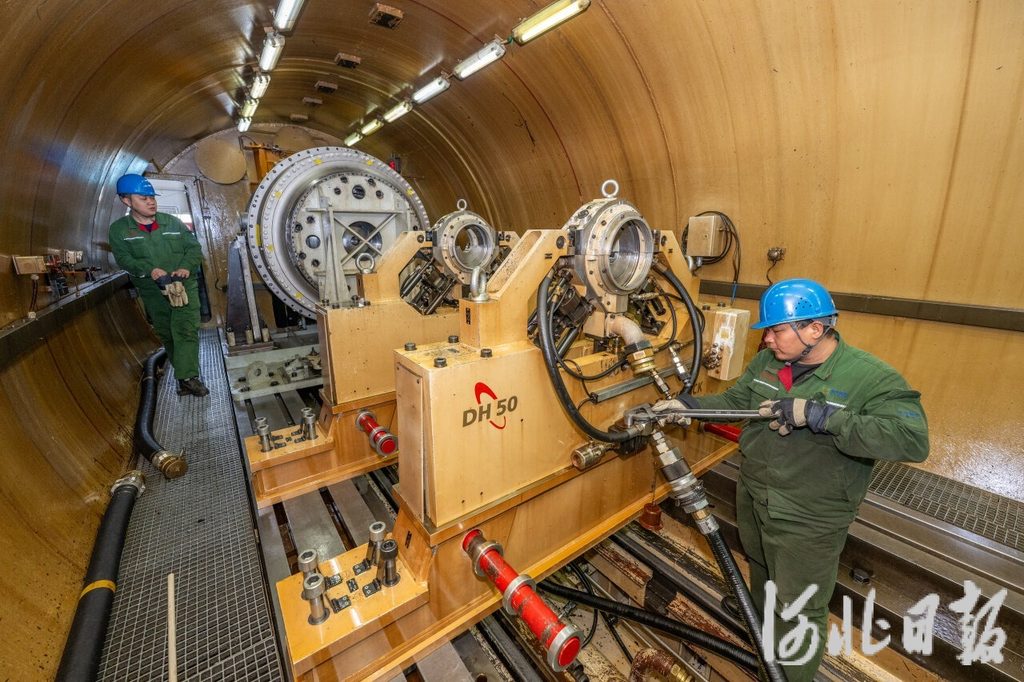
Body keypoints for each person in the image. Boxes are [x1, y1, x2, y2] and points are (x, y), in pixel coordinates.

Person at [653, 278, 928, 681]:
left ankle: (788, 673)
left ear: (814, 329)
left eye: (776, 330)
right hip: (755, 495)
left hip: (808, 515)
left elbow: (912, 439)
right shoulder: (769, 363)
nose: (766, 340)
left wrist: (822, 416)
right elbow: (735, 402)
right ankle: (763, 636)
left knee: (798, 608)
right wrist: (687, 406)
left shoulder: (869, 377)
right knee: (761, 572)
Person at [109, 174, 209, 397]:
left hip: (182, 287)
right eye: (143, 198)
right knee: (168, 333)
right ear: (126, 201)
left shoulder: (171, 222)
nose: (151, 202)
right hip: (153, 291)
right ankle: (184, 376)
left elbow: (194, 248)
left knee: (185, 329)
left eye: (152, 197)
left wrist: (185, 267)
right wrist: (150, 270)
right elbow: (124, 259)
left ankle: (188, 378)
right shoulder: (120, 230)